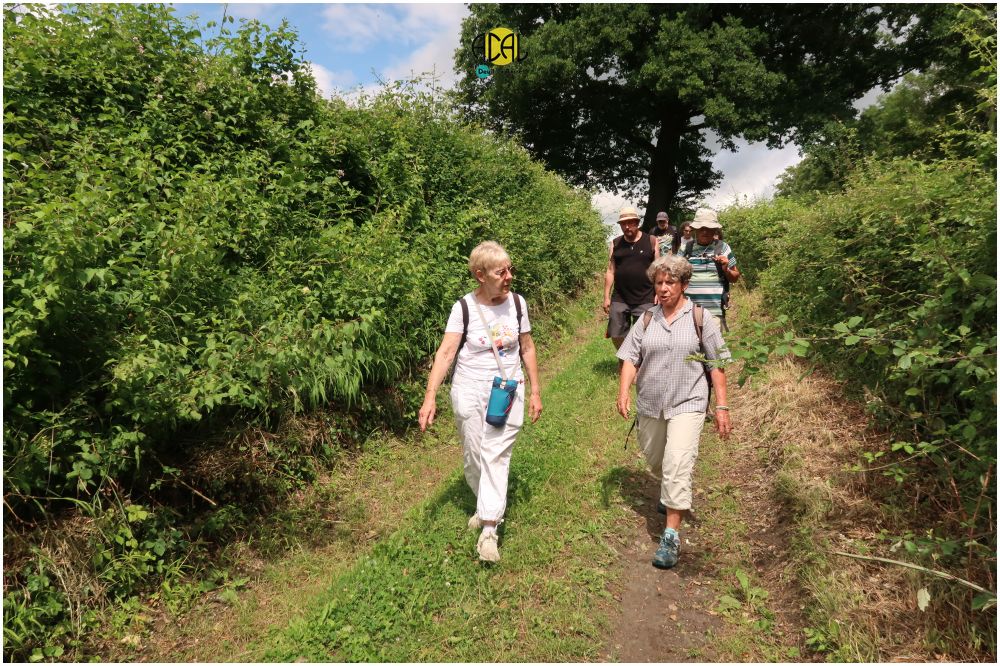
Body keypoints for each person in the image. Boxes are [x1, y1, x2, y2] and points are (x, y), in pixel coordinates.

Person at [418, 242, 542, 563]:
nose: (509, 276)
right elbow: (446, 353)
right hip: (470, 389)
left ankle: (489, 529)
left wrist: (536, 391)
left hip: (507, 388)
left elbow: (527, 347)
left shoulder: (518, 304)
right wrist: (430, 396)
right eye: (501, 272)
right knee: (474, 455)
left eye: (510, 269)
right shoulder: (464, 308)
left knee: (495, 454)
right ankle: (484, 501)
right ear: (480, 275)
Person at [616, 254, 733, 569]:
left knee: (677, 463)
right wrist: (623, 391)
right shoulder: (647, 319)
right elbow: (630, 357)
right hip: (651, 403)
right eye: (659, 282)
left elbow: (717, 364)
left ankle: (670, 537)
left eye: (670, 282)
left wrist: (721, 406)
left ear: (684, 284)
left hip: (688, 402)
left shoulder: (701, 319)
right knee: (656, 459)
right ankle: (668, 490)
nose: (664, 288)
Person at [604, 207, 659, 352]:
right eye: (623, 223)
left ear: (637, 223)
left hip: (646, 296)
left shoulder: (651, 241)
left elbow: (658, 270)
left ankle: (640, 360)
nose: (627, 226)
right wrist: (606, 297)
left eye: (630, 223)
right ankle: (624, 358)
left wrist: (659, 292)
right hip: (620, 297)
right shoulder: (615, 243)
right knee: (616, 333)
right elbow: (610, 270)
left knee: (646, 334)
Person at [680, 208, 740, 331]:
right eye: (701, 228)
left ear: (715, 230)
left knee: (713, 344)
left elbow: (735, 277)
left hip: (714, 312)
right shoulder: (685, 249)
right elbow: (674, 277)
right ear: (695, 229)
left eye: (709, 228)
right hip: (687, 312)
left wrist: (726, 269)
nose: (705, 231)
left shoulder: (723, 247)